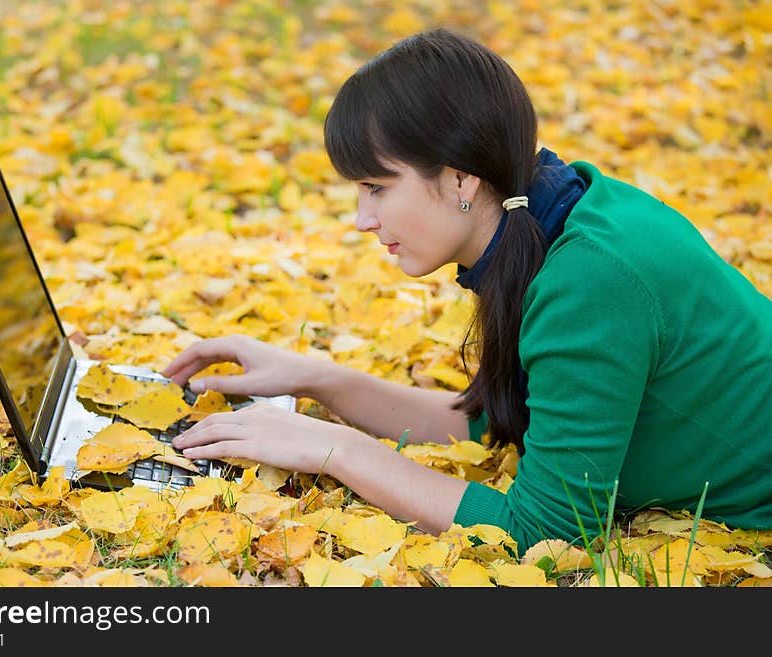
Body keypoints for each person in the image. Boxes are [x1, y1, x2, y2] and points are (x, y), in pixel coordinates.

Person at [163, 28, 772, 556]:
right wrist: (314, 379)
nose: (361, 219)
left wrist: (334, 449)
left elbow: (546, 536)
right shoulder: (546, 216)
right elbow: (498, 426)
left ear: (459, 177)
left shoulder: (592, 277)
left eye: (376, 186)